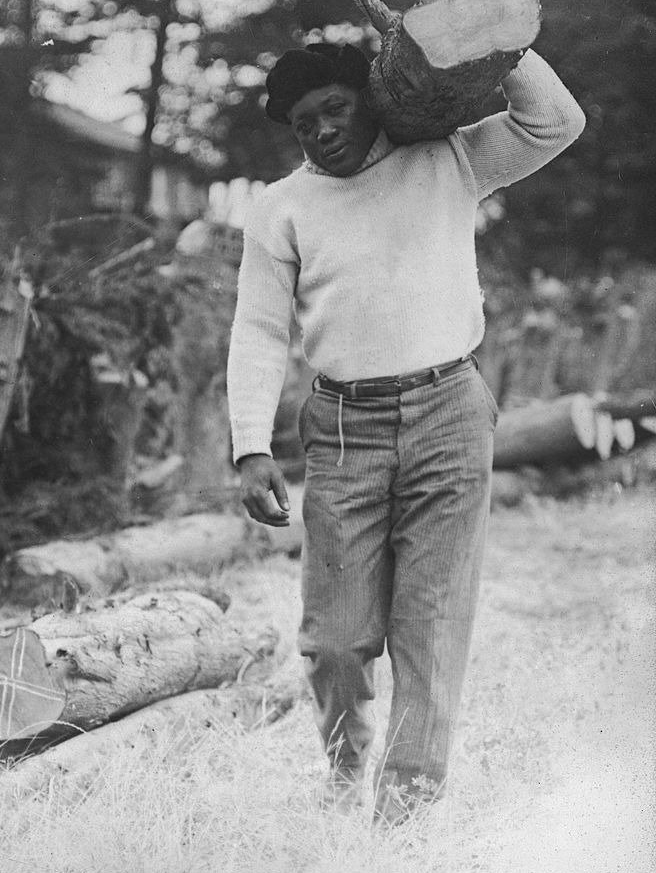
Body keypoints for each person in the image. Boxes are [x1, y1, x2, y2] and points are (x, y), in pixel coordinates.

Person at [226, 41, 585, 824]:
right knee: (336, 640)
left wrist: (496, 41)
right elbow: (258, 329)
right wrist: (251, 445)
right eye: (303, 123)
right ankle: (344, 771)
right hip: (345, 427)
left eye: (335, 109)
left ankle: (407, 818)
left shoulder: (447, 159)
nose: (321, 131)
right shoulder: (281, 205)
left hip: (450, 411)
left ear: (372, 99)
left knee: (432, 625)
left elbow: (555, 121)